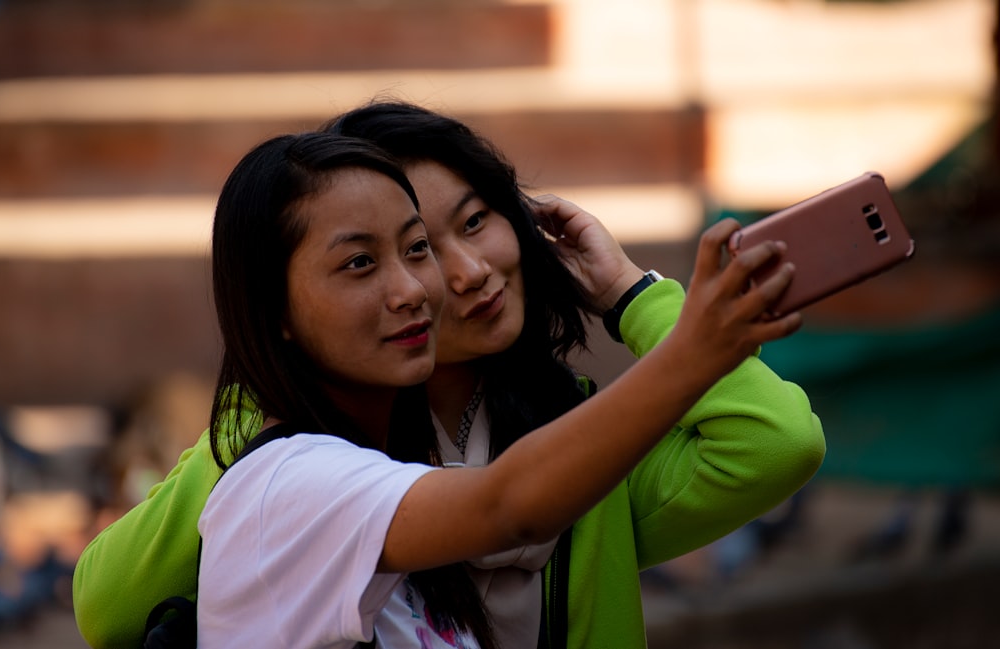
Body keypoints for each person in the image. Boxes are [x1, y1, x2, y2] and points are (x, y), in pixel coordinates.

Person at [72, 102, 825, 648]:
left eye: (470, 224)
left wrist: (630, 293)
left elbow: (776, 443)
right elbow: (109, 603)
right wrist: (266, 421)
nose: (455, 275)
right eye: (361, 261)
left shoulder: (585, 446)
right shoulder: (294, 468)